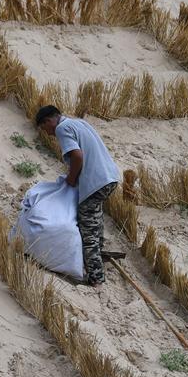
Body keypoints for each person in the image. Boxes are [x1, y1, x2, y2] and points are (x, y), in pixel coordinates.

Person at [35, 105, 121, 286]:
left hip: (95, 181)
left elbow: (77, 156)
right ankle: (98, 251)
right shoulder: (79, 123)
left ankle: (96, 277)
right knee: (95, 217)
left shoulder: (61, 128)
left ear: (49, 121)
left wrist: (71, 179)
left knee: (87, 226)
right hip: (110, 177)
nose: (49, 134)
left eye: (45, 129)